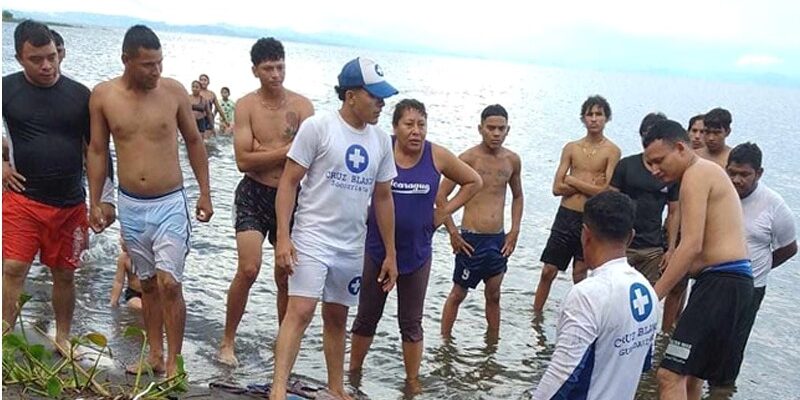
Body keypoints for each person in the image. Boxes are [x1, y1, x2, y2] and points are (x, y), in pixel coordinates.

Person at [87, 24, 214, 378]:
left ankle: (174, 362)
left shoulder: (173, 92)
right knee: (146, 284)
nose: (156, 71)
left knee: (170, 283)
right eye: (147, 65)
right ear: (126, 60)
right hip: (130, 204)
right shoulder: (103, 96)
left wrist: (205, 191)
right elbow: (97, 151)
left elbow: (194, 141)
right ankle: (154, 354)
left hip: (170, 202)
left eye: (159, 63)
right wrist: (95, 201)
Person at [270, 57, 399, 400]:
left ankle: (336, 388)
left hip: (351, 244)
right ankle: (278, 389)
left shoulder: (382, 141)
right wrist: (284, 237)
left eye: (383, 98)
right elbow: (289, 183)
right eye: (375, 97)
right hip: (312, 235)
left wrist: (390, 253)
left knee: (338, 316)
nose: (381, 104)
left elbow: (384, 198)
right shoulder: (319, 127)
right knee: (301, 310)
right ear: (352, 95)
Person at [348, 99, 482, 390]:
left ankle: (412, 383)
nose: (416, 131)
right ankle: (352, 376)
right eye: (409, 124)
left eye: (421, 124)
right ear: (395, 127)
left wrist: (443, 212)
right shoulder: (381, 148)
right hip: (377, 250)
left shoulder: (437, 156)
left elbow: (474, 181)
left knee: (411, 322)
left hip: (417, 253)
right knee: (367, 316)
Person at [2, 20, 115, 353]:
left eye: (51, 56)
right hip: (22, 199)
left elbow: (95, 150)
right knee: (13, 267)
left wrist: (103, 199)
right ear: (19, 57)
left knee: (64, 274)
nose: (47, 65)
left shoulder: (80, 95)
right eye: (37, 59)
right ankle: (4, 335)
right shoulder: (6, 89)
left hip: (69, 203)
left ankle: (63, 337)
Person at [218, 37, 314, 367]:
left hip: (292, 197)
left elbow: (311, 158)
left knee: (285, 274)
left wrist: (264, 152)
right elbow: (243, 161)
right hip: (253, 195)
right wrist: (286, 151)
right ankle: (228, 340)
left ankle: (282, 346)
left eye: (280, 66)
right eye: (268, 68)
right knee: (248, 268)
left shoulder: (302, 107)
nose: (275, 73)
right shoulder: (246, 106)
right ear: (255, 70)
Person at [642, 119, 754, 400]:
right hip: (733, 283)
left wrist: (653, 297)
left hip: (722, 282)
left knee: (669, 375)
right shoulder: (707, 172)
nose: (655, 170)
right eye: (649, 164)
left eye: (659, 161)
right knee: (692, 376)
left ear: (680, 148)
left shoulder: (695, 174)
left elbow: (690, 245)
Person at [533, 191, 659, 400]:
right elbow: (643, 362)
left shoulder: (588, 294)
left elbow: (562, 375)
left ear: (585, 234)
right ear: (631, 237)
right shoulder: (646, 290)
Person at [438, 104, 523, 340]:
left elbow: (518, 195)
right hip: (471, 238)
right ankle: (445, 343)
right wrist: (453, 232)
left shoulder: (512, 160)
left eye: (501, 128)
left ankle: (492, 346)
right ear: (480, 129)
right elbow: (441, 195)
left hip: (497, 239)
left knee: (494, 294)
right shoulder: (468, 158)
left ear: (508, 130)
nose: (496, 133)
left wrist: (514, 230)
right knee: (458, 293)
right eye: (491, 128)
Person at [533, 95, 621, 313]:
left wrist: (572, 180)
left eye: (598, 114)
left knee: (580, 272)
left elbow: (605, 191)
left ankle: (578, 315)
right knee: (548, 271)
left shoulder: (612, 151)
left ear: (606, 118)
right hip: (566, 215)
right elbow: (556, 188)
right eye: (590, 114)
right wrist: (585, 183)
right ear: (583, 118)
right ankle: (536, 314)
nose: (594, 119)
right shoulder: (571, 148)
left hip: (590, 218)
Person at [719, 142, 797, 386]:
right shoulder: (720, 194)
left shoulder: (774, 204)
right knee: (706, 338)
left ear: (759, 173)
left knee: (734, 343)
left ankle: (722, 389)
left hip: (751, 287)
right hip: (715, 280)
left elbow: (789, 247)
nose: (737, 180)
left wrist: (759, 268)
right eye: (732, 173)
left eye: (744, 174)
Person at [610, 112, 682, 332]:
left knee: (645, 303)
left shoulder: (670, 173)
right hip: (623, 245)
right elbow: (611, 202)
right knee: (615, 298)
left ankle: (642, 343)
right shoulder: (626, 166)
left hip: (652, 246)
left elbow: (673, 213)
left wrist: (670, 249)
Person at [110, 237, 143, 311]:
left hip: (153, 293)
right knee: (139, 307)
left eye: (124, 237)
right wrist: (114, 302)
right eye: (121, 237)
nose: (120, 240)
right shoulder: (124, 258)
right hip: (135, 294)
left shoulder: (150, 256)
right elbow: (119, 282)